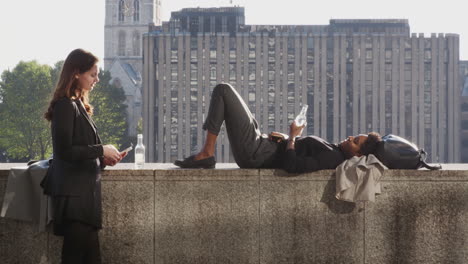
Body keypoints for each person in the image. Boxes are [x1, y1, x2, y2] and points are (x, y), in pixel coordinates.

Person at [174, 83, 381, 173]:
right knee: (241, 109)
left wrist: (292, 136)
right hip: (262, 144)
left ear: (358, 156)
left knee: (223, 90)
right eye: (355, 136)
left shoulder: (332, 158)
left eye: (355, 142)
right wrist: (285, 138)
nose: (351, 137)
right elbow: (293, 152)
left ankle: (207, 153)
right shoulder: (334, 150)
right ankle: (206, 153)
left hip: (256, 153)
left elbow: (292, 165)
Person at [42, 49, 125, 264]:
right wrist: (101, 149)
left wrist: (103, 160)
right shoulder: (65, 106)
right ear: (76, 73)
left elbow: (80, 152)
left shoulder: (78, 105)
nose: (97, 79)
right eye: (93, 74)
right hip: (74, 201)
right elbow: (65, 151)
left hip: (84, 200)